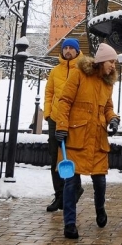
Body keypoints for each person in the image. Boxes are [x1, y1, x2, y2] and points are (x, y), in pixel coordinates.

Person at [53, 43, 122, 240]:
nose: (113, 66)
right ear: (101, 61)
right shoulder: (79, 74)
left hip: (98, 139)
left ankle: (100, 209)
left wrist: (113, 119)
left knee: (100, 181)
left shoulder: (107, 83)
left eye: (115, 62)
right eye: (111, 61)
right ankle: (70, 224)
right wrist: (61, 127)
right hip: (76, 137)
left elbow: (108, 107)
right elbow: (65, 101)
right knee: (71, 183)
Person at [43, 38, 81, 213]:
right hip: (55, 119)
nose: (68, 51)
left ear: (77, 51)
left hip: (74, 120)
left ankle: (74, 189)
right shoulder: (55, 71)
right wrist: (48, 114)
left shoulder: (82, 70)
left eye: (71, 48)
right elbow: (49, 93)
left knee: (72, 156)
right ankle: (59, 195)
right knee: (55, 158)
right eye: (65, 48)